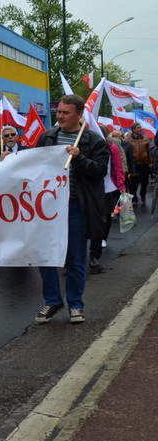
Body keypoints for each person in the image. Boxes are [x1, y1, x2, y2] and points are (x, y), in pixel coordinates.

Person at [34, 95, 109, 325]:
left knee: (75, 257)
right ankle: (52, 301)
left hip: (76, 206)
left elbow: (99, 171)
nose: (60, 116)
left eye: (65, 113)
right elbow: (32, 164)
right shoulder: (47, 137)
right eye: (58, 112)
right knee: (46, 255)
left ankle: (75, 304)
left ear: (79, 114)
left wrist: (79, 158)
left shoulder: (94, 141)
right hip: (49, 206)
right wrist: (9, 158)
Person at [89, 127, 126, 274]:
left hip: (108, 188)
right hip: (89, 190)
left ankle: (100, 242)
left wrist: (121, 185)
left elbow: (118, 167)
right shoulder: (84, 146)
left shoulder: (112, 148)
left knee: (105, 218)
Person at [125, 123, 152, 204]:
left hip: (144, 164)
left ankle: (143, 195)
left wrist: (150, 162)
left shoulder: (146, 138)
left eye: (140, 127)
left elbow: (149, 151)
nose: (140, 129)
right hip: (134, 165)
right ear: (133, 129)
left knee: (145, 182)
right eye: (138, 127)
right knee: (133, 183)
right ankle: (134, 199)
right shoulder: (128, 139)